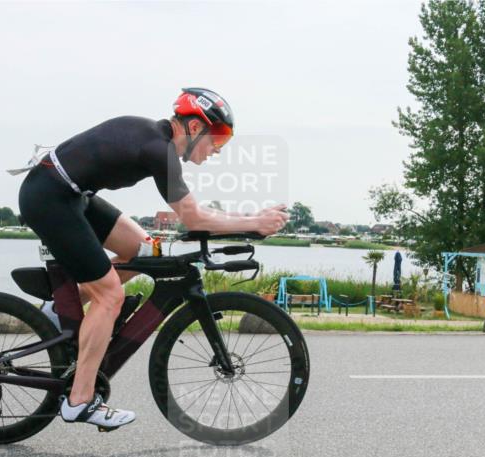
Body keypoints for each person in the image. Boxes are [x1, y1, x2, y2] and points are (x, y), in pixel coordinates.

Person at [17, 87, 289, 431]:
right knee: (111, 295)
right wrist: (254, 222)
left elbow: (192, 216)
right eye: (217, 137)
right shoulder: (157, 148)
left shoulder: (156, 142)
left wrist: (251, 223)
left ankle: (59, 310)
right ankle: (79, 402)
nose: (217, 149)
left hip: (72, 195)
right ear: (193, 127)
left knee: (144, 248)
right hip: (50, 197)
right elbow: (192, 217)